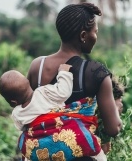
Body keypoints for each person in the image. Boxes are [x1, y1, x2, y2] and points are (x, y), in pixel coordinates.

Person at [20, 2, 123, 161]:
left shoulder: (37, 67)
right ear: (83, 36)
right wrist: (116, 106)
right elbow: (113, 128)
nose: (95, 37)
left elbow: (28, 110)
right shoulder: (96, 73)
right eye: (95, 32)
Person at [0, 64, 108, 160]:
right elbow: (63, 92)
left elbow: (24, 129)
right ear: (28, 82)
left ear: (13, 102)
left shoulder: (17, 113)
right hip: (67, 137)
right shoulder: (44, 92)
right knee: (89, 143)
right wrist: (63, 72)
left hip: (43, 148)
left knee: (24, 141)